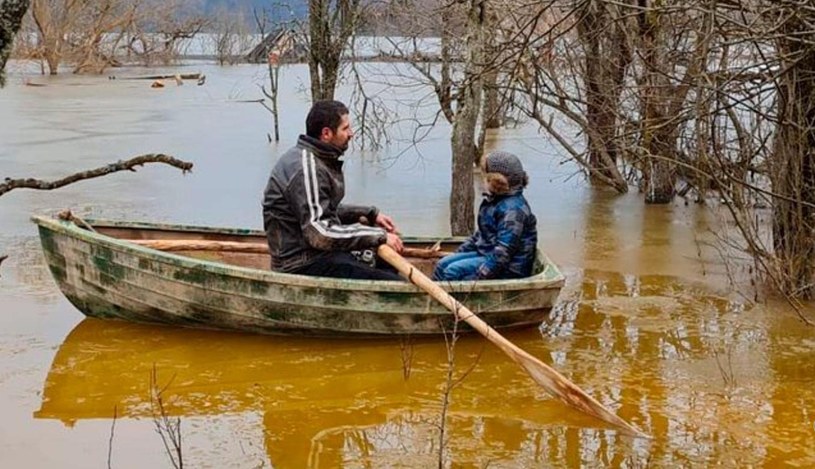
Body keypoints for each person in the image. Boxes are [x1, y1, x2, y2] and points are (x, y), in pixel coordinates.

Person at [262, 100, 404, 280]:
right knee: (394, 284)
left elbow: (323, 208)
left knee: (387, 263)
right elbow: (320, 233)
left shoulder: (314, 159)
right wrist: (379, 236)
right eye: (345, 128)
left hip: (318, 254)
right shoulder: (307, 168)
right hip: (301, 264)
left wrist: (370, 213)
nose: (351, 134)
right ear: (326, 133)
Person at [433, 151, 538, 281]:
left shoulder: (512, 210)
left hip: (510, 268)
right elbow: (482, 235)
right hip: (488, 254)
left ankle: (453, 300)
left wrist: (478, 278)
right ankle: (434, 300)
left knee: (452, 271)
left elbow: (503, 252)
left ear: (495, 181)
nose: (482, 181)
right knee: (442, 264)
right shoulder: (496, 201)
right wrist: (459, 253)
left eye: (485, 177)